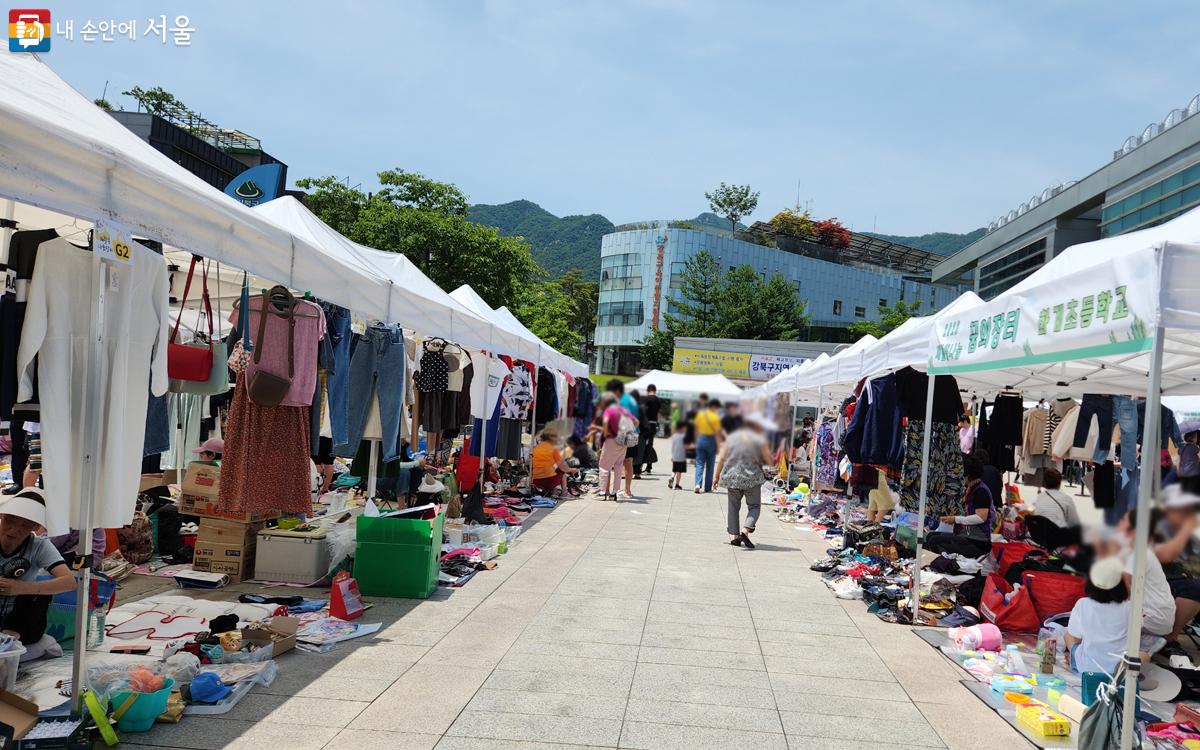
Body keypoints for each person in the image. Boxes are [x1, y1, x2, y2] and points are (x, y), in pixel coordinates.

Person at [0, 488, 77, 648]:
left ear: (34, 526)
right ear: (2, 517)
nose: (14, 530)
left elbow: (69, 582)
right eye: (10, 521)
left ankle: (10, 638)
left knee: (40, 595)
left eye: (24, 525)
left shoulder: (39, 545)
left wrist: (20, 587)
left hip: (19, 619)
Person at [1149, 485, 1200, 655]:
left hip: (1177, 576)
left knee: (1193, 586)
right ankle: (1171, 636)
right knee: (1194, 589)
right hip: (1157, 577)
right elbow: (1163, 556)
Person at [714, 413, 775, 549]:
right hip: (752, 478)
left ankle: (735, 536)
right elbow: (769, 459)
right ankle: (745, 530)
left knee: (733, 507)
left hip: (733, 478)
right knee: (754, 506)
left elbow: (722, 459)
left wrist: (716, 477)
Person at [1119, 508, 1176, 647]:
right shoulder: (1137, 551)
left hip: (1153, 616)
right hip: (1157, 615)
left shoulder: (1138, 553)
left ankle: (1144, 642)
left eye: (1124, 520)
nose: (1120, 523)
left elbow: (1124, 589)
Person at [1065, 556, 1130, 676]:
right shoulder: (1130, 607)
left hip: (1086, 668)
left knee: (1068, 636)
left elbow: (1075, 637)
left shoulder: (1083, 604)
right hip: (1119, 670)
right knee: (1144, 654)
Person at [928, 456, 995, 558]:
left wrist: (956, 519)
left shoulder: (981, 491)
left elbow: (981, 517)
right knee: (931, 536)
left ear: (968, 476)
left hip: (978, 543)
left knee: (934, 541)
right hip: (968, 536)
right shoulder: (971, 488)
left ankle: (947, 565)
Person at [593, 393, 636, 500]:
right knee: (618, 467)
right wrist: (628, 433)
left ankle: (603, 492)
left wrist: (605, 433)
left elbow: (606, 421)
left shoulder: (609, 410)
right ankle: (614, 493)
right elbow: (636, 422)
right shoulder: (623, 410)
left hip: (611, 440)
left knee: (604, 466)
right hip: (623, 442)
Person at [1027, 468, 1083, 550]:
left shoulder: (1040, 497)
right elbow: (1075, 522)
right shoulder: (1066, 499)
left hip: (1038, 536)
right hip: (1057, 537)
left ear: (1045, 483)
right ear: (1060, 483)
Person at [530, 429, 579, 496]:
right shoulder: (553, 449)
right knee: (562, 472)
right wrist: (573, 470)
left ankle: (553, 490)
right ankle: (564, 492)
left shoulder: (535, 448)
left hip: (536, 481)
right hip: (549, 481)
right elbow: (563, 467)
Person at [693, 398, 723, 494]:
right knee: (710, 465)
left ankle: (697, 484)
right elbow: (718, 433)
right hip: (711, 441)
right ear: (714, 407)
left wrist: (695, 440)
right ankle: (707, 488)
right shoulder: (715, 417)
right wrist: (718, 446)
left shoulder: (700, 414)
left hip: (701, 439)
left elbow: (696, 429)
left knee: (699, 463)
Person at [635, 384, 661, 477]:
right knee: (650, 445)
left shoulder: (645, 399)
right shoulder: (658, 400)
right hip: (653, 425)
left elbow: (642, 412)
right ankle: (649, 466)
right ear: (655, 390)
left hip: (645, 426)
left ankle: (638, 468)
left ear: (648, 390)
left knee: (641, 446)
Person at [669, 421, 688, 490]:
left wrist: (672, 456)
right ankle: (677, 484)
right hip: (682, 457)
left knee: (674, 470)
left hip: (675, 456)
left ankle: (672, 477)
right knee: (679, 471)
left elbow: (673, 447)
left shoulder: (674, 436)